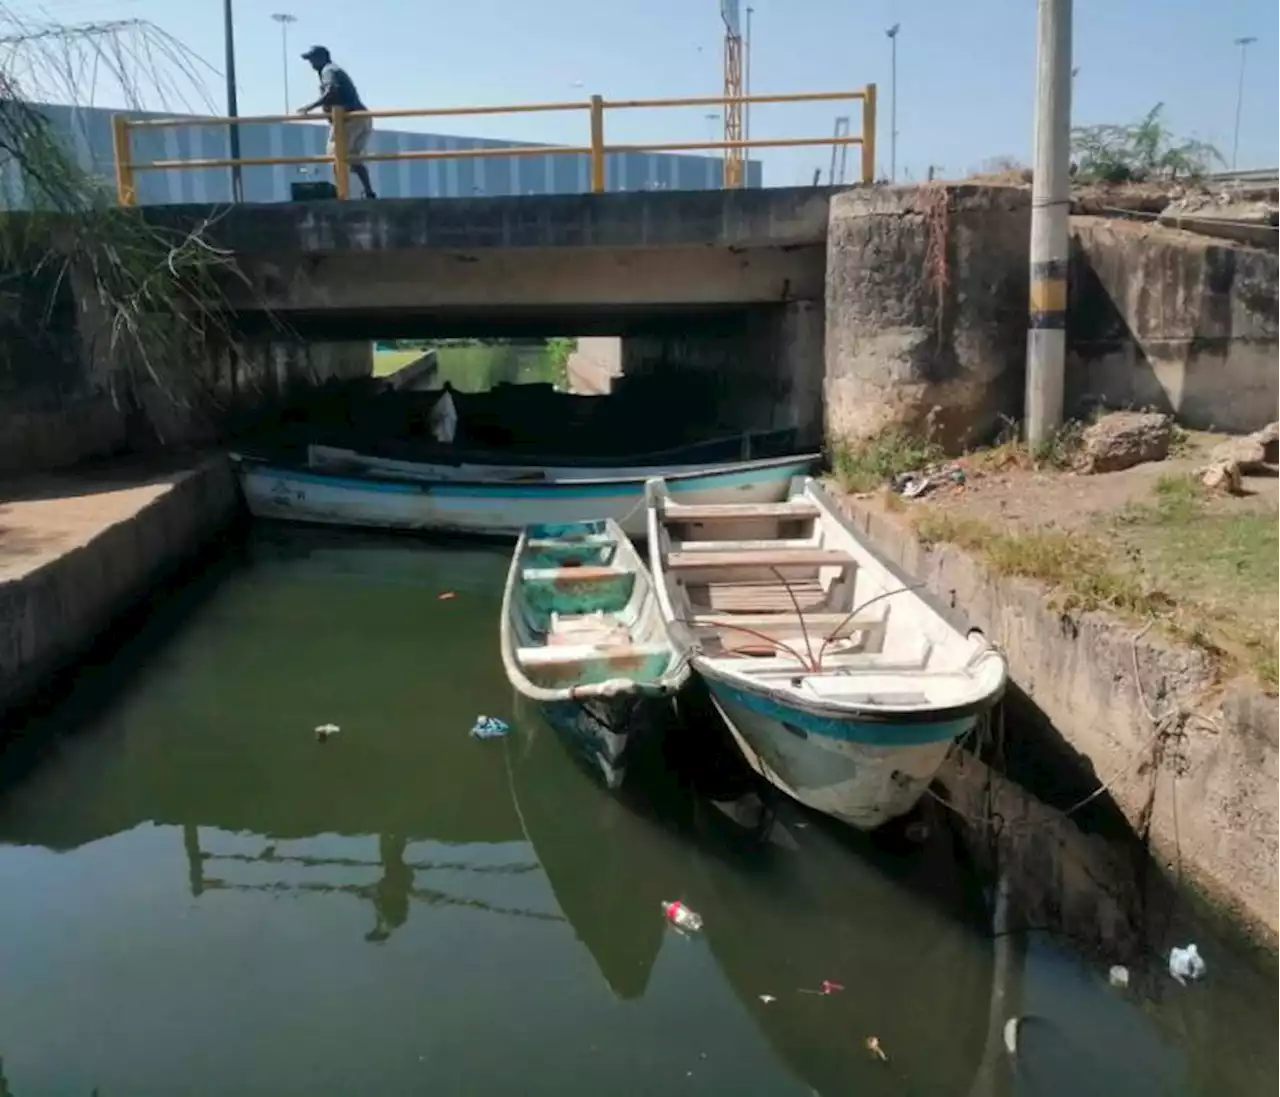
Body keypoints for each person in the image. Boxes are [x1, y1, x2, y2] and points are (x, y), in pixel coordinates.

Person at [297, 45, 377, 199]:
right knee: (354, 158)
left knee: (336, 155)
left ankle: (342, 195)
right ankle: (369, 192)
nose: (311, 64)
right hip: (363, 117)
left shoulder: (328, 70)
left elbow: (332, 91)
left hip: (349, 119)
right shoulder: (333, 69)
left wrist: (309, 107)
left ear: (322, 58)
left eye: (312, 59)